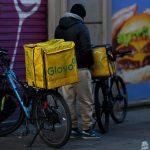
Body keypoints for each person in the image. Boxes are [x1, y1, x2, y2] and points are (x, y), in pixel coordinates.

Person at [55, 4, 100, 138]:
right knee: (86, 100)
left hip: (65, 69)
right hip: (80, 68)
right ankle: (87, 129)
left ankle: (73, 128)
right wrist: (91, 64)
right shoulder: (81, 27)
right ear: (81, 15)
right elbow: (86, 49)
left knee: (69, 100)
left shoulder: (59, 27)